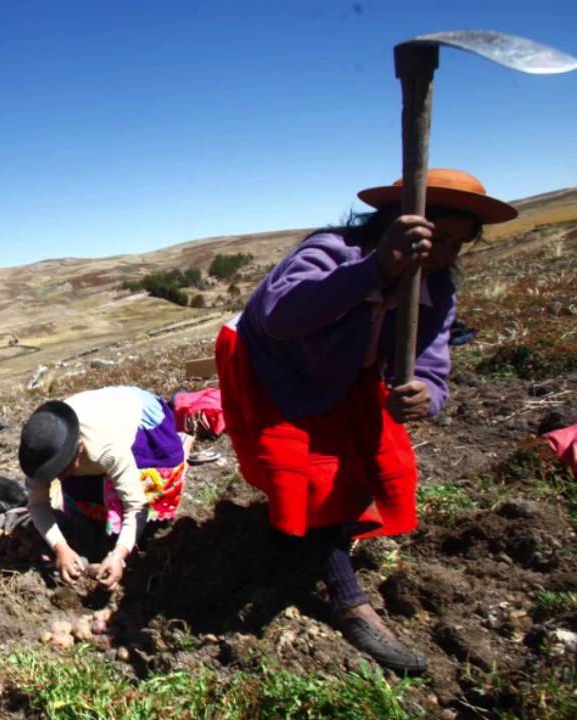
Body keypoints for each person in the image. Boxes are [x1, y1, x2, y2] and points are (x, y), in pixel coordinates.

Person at [214, 168, 517, 675]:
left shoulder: (436, 286)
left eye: (455, 246)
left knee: (375, 455)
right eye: (435, 239)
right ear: (397, 224)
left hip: (346, 371)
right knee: (309, 470)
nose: (442, 256)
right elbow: (281, 315)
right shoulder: (333, 252)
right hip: (276, 366)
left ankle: (312, 539)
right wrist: (376, 269)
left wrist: (428, 393)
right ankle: (347, 601)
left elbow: (432, 361)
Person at [18, 386, 188, 590]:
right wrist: (60, 548)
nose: (57, 478)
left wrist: (119, 555)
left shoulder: (107, 447)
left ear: (79, 448)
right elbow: (37, 504)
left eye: (62, 470)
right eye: (53, 473)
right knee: (83, 496)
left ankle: (180, 407)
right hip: (96, 416)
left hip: (138, 417)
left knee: (151, 485)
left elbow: (136, 506)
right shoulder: (39, 450)